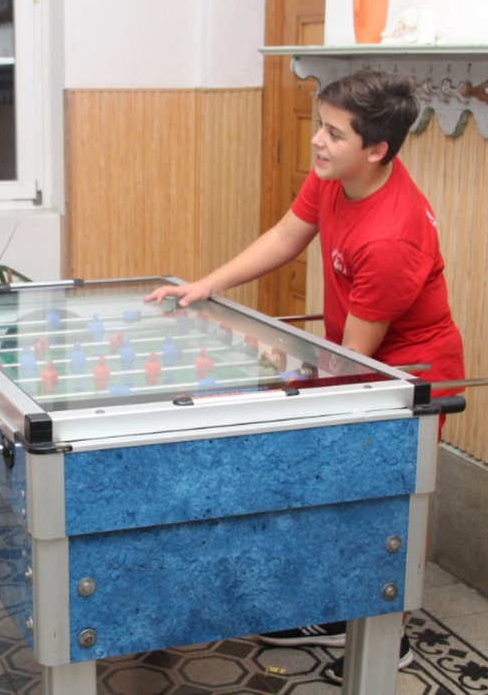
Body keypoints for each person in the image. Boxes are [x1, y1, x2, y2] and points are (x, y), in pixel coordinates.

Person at [145, 69, 465, 684]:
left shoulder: (392, 238)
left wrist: (288, 384)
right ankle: (336, 605)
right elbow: (287, 235)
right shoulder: (335, 176)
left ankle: (390, 632)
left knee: (392, 497)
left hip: (407, 370)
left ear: (377, 149)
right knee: (341, 485)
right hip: (357, 353)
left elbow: (356, 359)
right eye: (321, 125)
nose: (318, 140)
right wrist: (205, 286)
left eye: (334, 134)